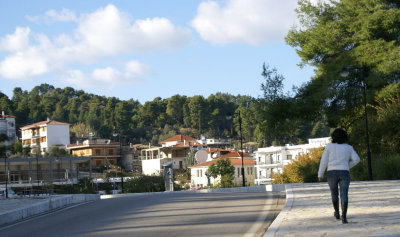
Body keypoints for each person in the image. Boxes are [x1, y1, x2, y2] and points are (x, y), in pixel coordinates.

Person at [318, 128, 360, 224]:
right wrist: (347, 166)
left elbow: (323, 161)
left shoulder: (329, 147)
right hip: (344, 172)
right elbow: (357, 159)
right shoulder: (349, 147)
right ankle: (344, 217)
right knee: (344, 194)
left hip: (331, 172)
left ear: (333, 137)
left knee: (334, 193)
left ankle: (337, 213)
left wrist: (320, 174)